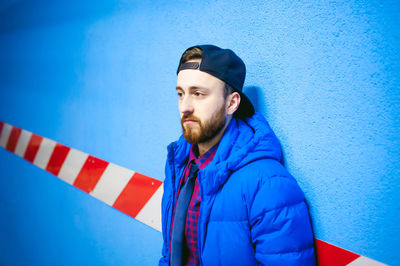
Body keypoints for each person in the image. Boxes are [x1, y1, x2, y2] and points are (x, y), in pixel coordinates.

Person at [159, 44, 315, 265]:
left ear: (231, 103)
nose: (185, 106)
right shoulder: (179, 166)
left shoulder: (268, 184)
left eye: (198, 94)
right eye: (180, 94)